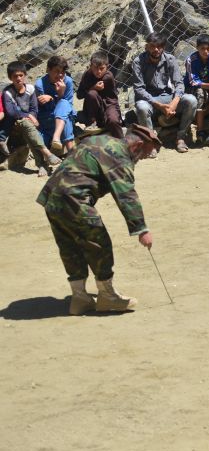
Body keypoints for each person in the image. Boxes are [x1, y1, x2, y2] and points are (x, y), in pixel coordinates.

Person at [36, 124, 160, 315]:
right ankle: (107, 295)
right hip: (74, 199)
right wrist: (141, 229)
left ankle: (79, 298)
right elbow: (126, 195)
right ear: (138, 145)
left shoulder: (98, 139)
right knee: (99, 243)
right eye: (143, 154)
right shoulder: (120, 156)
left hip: (52, 197)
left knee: (70, 246)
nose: (141, 159)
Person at [130, 32, 197, 154]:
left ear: (164, 47)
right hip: (148, 99)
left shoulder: (170, 59)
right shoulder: (138, 62)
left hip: (166, 96)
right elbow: (139, 89)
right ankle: (150, 142)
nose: (156, 49)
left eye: (159, 46)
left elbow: (179, 83)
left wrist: (174, 103)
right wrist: (159, 105)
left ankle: (180, 137)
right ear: (147, 47)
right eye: (152, 46)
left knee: (191, 100)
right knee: (141, 107)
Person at [2, 61, 62, 173]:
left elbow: (34, 108)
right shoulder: (7, 92)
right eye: (15, 76)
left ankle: (42, 164)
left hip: (27, 123)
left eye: (21, 75)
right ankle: (46, 156)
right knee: (26, 123)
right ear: (11, 78)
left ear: (25, 75)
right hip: (13, 125)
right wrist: (28, 116)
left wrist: (32, 116)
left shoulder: (30, 88)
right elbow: (11, 113)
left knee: (28, 128)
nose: (19, 78)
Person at [35, 55, 77, 156]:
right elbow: (46, 109)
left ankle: (57, 138)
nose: (60, 75)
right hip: (48, 118)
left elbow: (68, 106)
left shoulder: (68, 81)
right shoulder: (40, 84)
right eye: (57, 71)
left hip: (63, 116)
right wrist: (53, 98)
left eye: (62, 72)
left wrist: (59, 94)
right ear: (48, 70)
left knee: (64, 107)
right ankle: (71, 153)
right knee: (64, 117)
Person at [77, 52, 123, 139]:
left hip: (109, 105)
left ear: (107, 67)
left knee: (113, 121)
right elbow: (79, 95)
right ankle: (93, 122)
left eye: (102, 68)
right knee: (92, 93)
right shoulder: (86, 75)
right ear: (90, 66)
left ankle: (123, 143)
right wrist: (93, 88)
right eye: (95, 68)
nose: (98, 72)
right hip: (92, 109)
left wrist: (90, 88)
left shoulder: (108, 77)